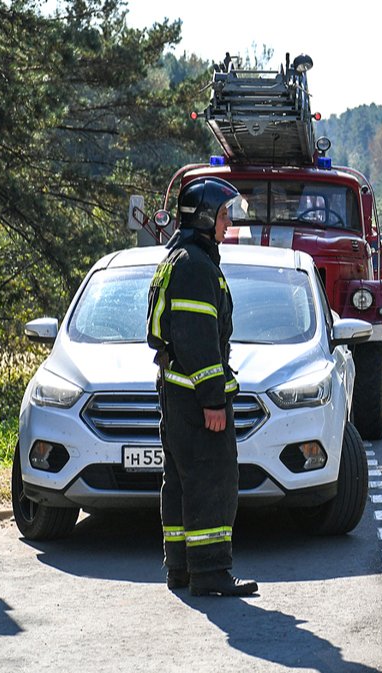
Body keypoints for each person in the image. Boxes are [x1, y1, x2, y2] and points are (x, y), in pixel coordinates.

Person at [146, 176, 258, 596]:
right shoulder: (194, 266)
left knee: (179, 482)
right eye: (225, 215)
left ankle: (181, 568)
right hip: (196, 400)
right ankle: (210, 573)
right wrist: (214, 400)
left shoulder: (180, 259)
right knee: (212, 482)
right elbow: (198, 342)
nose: (228, 224)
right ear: (208, 216)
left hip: (176, 395)